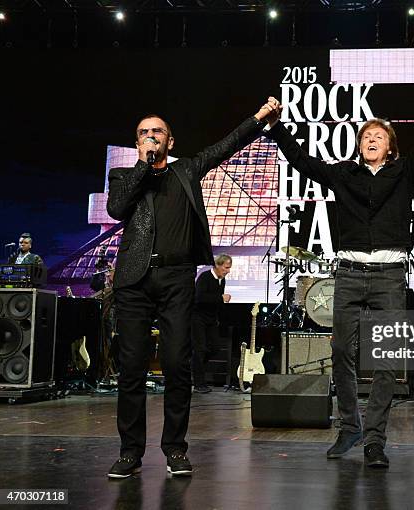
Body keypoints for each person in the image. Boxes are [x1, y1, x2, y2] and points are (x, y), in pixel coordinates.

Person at [265, 68, 414, 468]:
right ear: (358, 143)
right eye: (366, 135)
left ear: (391, 147)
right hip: (348, 273)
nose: (371, 138)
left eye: (379, 135)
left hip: (389, 276)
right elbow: (300, 160)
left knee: (386, 359)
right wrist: (277, 126)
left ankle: (375, 439)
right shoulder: (343, 174)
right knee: (340, 351)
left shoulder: (404, 171)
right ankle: (349, 426)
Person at [106, 100, 277, 479]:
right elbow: (117, 210)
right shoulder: (123, 175)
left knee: (177, 365)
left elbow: (226, 145)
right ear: (137, 143)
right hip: (134, 281)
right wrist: (142, 165)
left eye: (158, 132)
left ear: (170, 139)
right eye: (144, 134)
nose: (151, 137)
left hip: (177, 279)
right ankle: (131, 452)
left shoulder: (186, 170)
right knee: (132, 368)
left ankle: (175, 449)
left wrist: (259, 119)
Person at [191, 254, 232, 393]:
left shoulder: (222, 280)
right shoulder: (205, 277)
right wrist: (220, 298)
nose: (228, 270)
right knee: (200, 349)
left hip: (211, 319)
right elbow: (199, 298)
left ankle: (196, 366)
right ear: (218, 266)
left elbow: (215, 302)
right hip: (198, 318)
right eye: (226, 267)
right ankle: (198, 383)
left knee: (215, 348)